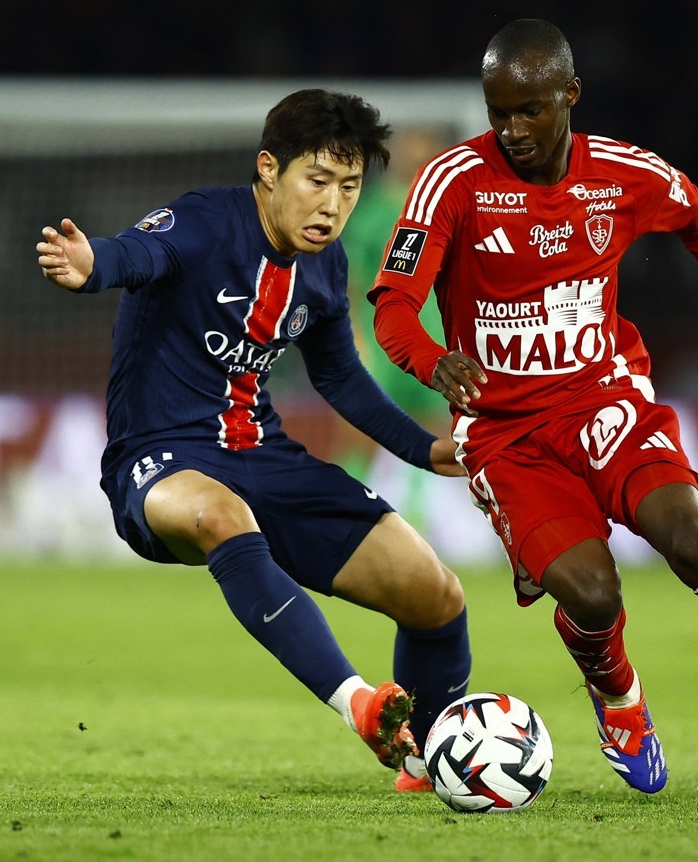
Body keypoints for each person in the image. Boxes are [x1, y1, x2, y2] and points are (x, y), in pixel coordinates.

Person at [370, 20, 698, 797]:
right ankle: (619, 696)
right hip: (507, 434)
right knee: (591, 592)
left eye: (530, 110)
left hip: (604, 397)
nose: (512, 130)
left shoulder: (621, 174)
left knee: (692, 541)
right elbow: (392, 309)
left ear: (570, 95)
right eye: (498, 112)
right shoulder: (452, 181)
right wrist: (432, 358)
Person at [36, 88, 470, 793]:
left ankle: (432, 760)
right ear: (269, 169)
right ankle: (358, 700)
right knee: (218, 514)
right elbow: (141, 253)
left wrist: (423, 449)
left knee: (435, 593)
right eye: (317, 180)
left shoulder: (325, 268)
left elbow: (343, 380)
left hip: (262, 454)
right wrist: (94, 268)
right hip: (160, 455)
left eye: (350, 186)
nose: (332, 204)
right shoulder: (206, 222)